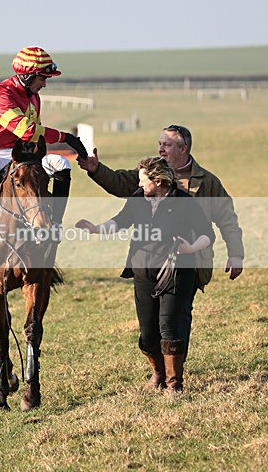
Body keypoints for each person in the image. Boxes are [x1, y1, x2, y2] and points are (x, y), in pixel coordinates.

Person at [77, 124, 244, 354]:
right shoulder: (149, 175)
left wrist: (235, 254)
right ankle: (160, 370)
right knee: (151, 325)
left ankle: (175, 373)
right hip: (148, 262)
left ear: (183, 148)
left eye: (167, 144)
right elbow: (120, 183)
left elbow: (227, 219)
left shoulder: (206, 182)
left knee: (177, 318)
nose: (161, 149)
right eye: (159, 144)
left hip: (189, 262)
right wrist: (97, 170)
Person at [76, 157, 214, 393]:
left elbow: (207, 234)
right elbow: (120, 222)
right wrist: (96, 229)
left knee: (169, 326)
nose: (139, 186)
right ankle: (158, 373)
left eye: (143, 180)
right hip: (142, 272)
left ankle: (174, 383)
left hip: (176, 271)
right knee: (148, 333)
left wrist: (190, 248)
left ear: (159, 180)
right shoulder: (138, 199)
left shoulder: (184, 202)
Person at [0, 47, 88, 241]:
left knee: (62, 164)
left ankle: (55, 222)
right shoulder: (1, 96)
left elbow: (35, 133)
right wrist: (66, 138)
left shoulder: (33, 95)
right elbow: (27, 130)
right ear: (28, 76)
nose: (45, 84)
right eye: (43, 78)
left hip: (26, 152)